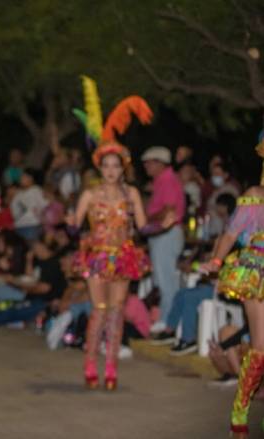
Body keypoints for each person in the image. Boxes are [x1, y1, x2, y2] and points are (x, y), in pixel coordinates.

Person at [70, 80, 155, 390]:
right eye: (105, 165)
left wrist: (163, 222)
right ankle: (90, 363)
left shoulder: (132, 193)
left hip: (125, 255)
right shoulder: (89, 196)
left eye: (115, 166)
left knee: (117, 312)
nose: (110, 170)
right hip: (95, 255)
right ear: (100, 167)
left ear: (122, 169)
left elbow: (143, 227)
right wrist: (68, 222)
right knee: (100, 310)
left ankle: (111, 366)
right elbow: (74, 226)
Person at [200, 136, 264, 438]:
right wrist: (215, 263)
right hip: (257, 273)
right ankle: (240, 410)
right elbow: (230, 234)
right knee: (261, 346)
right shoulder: (255, 195)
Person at [151, 194, 237, 355]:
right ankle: (170, 330)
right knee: (181, 294)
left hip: (225, 288)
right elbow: (210, 262)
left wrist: (203, 267)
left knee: (190, 297)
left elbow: (222, 267)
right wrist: (198, 266)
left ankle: (188, 339)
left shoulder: (236, 243)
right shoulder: (223, 238)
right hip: (213, 283)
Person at [142, 146, 186, 334]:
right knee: (161, 279)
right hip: (162, 235)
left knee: (167, 280)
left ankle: (167, 321)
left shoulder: (167, 181)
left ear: (160, 163)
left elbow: (168, 210)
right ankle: (164, 318)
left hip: (167, 234)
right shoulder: (161, 181)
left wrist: (145, 219)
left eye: (149, 162)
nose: (146, 166)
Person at [10, 168, 48, 242]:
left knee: (34, 246)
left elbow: (44, 206)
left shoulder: (36, 190)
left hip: (31, 225)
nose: (21, 178)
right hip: (19, 226)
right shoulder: (18, 194)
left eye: (24, 177)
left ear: (31, 178)